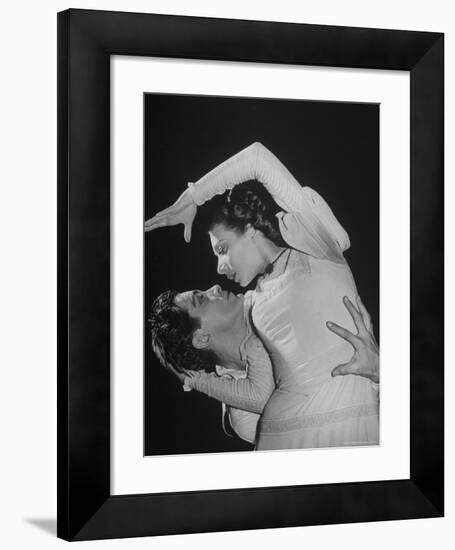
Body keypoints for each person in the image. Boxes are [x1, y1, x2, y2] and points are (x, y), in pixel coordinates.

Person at [146, 142, 379, 449]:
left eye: (222, 249)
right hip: (286, 441)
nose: (218, 271)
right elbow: (256, 386)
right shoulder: (255, 305)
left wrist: (193, 197)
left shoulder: (313, 244)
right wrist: (192, 375)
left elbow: (256, 158)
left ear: (250, 229)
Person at [149, 284, 379, 448]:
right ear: (202, 339)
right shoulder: (246, 419)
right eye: (202, 299)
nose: (215, 287)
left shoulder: (278, 298)